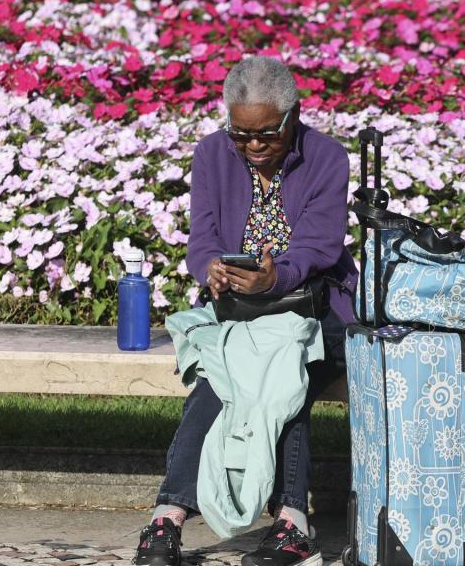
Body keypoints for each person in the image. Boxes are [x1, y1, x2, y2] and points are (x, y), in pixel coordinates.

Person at [133, 56, 358, 566]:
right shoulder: (212, 154)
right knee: (236, 370)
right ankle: (184, 517)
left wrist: (274, 274)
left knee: (282, 370)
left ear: (293, 116)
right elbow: (202, 240)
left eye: (266, 134)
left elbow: (319, 247)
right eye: (241, 134)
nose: (253, 146)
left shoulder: (326, 157)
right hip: (237, 310)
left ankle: (178, 516)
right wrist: (211, 269)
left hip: (316, 307)